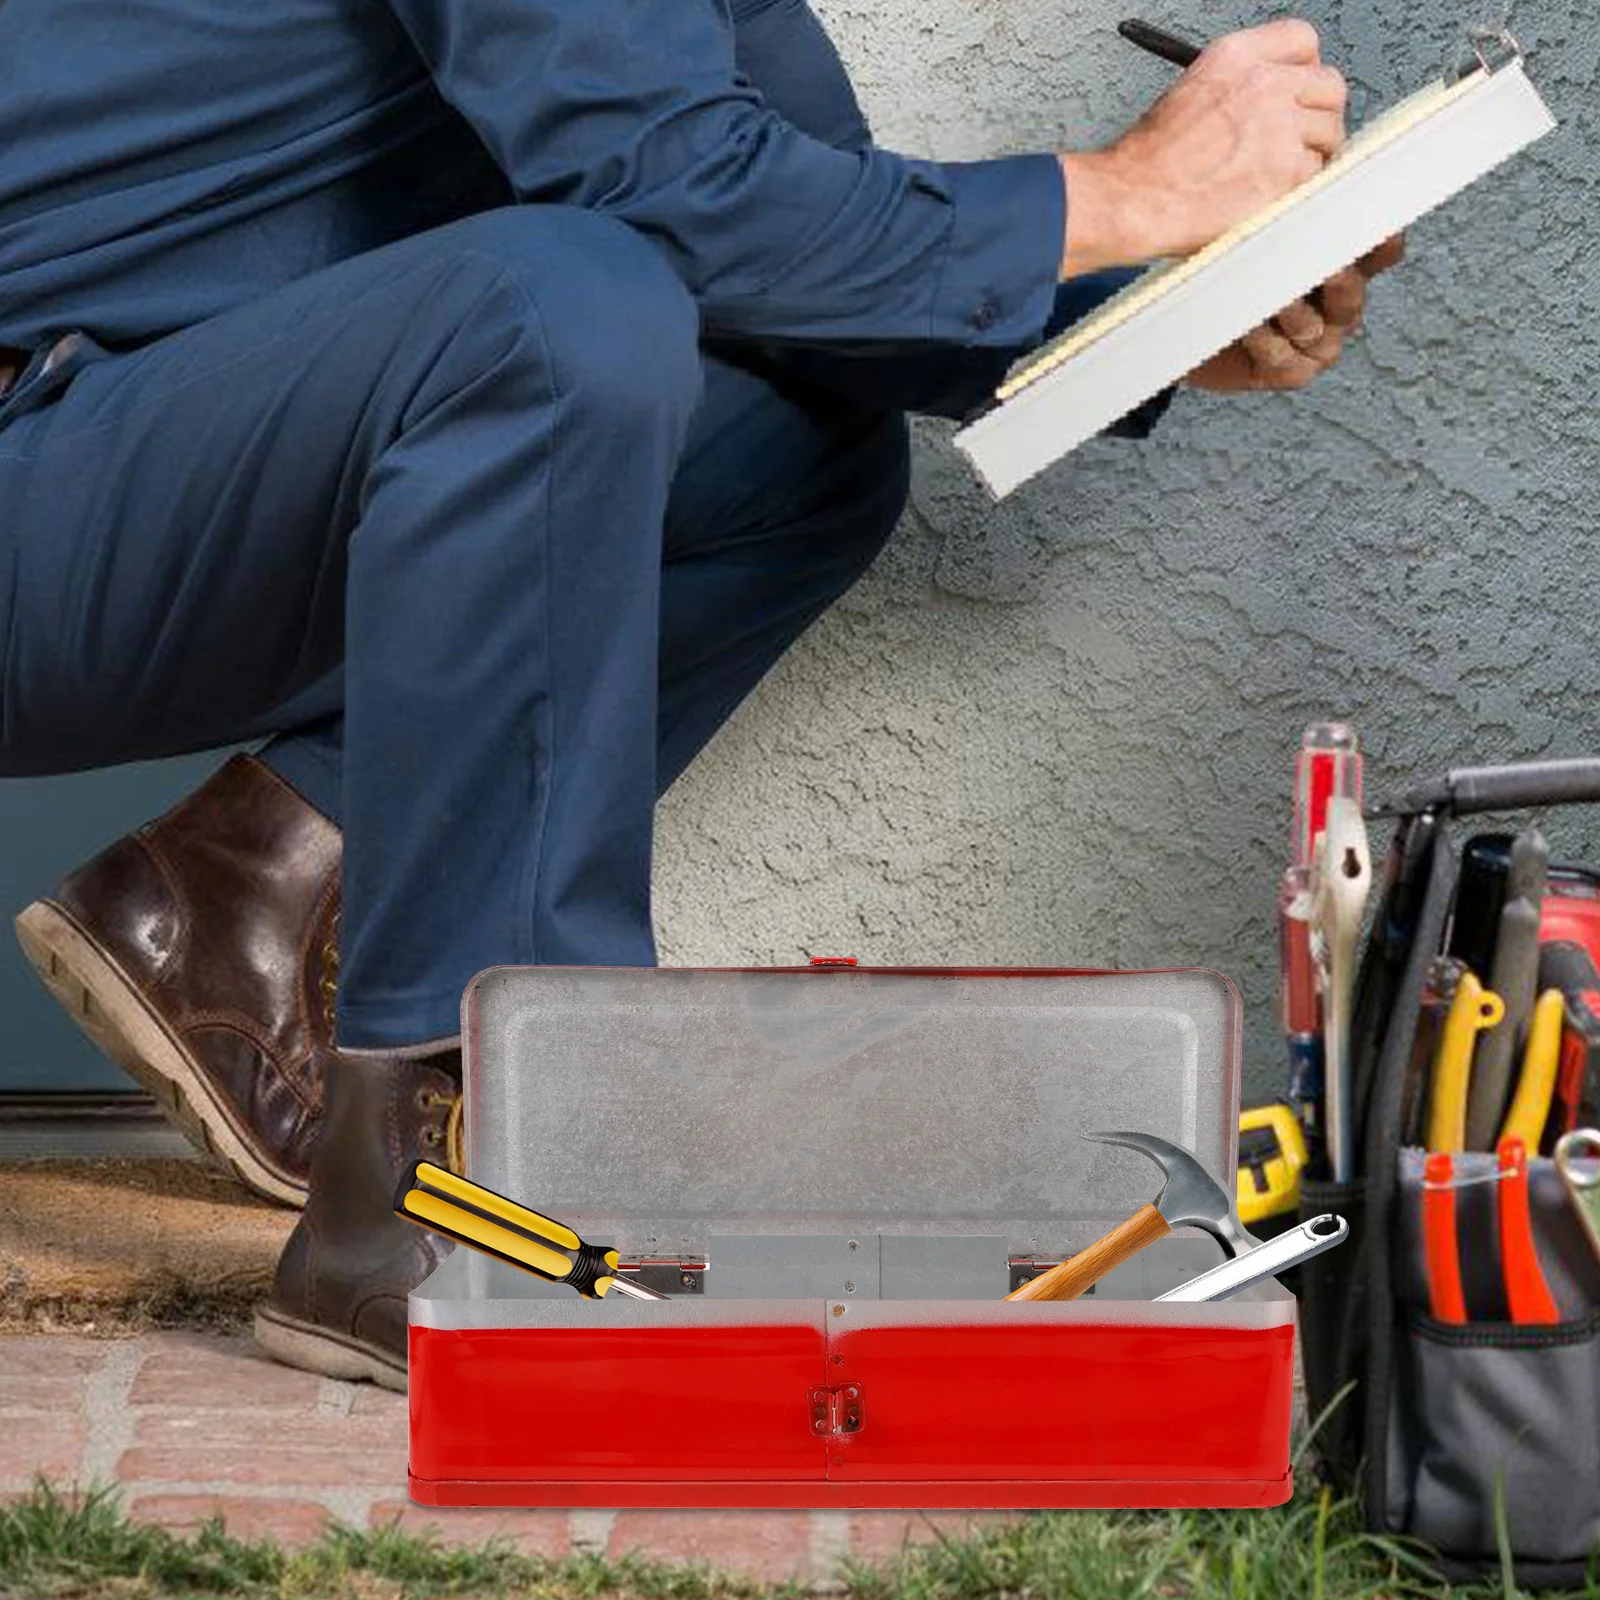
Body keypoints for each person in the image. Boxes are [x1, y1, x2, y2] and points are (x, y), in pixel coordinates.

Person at [1, 0, 1400, 1388]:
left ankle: (253, 892)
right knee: (558, 306)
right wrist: (1131, 186)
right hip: (39, 466)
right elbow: (676, 192)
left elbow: (806, 268)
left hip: (137, 452)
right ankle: (441, 1215)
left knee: (796, 453)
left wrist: (1160, 307)